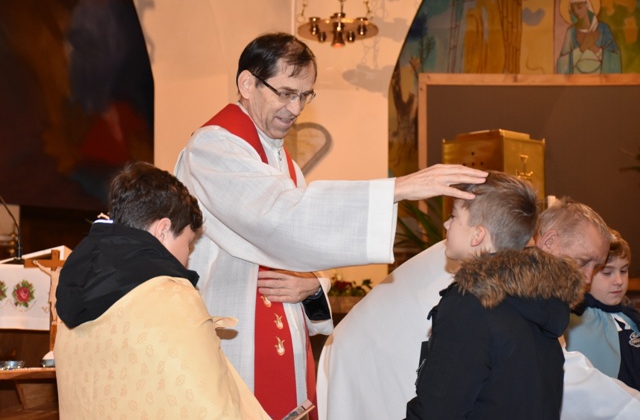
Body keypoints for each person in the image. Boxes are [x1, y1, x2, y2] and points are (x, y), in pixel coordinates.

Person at [174, 32, 488, 419]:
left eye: (305, 96)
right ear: (247, 84)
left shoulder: (284, 163)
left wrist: (313, 285)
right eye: (286, 93)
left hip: (284, 337)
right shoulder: (213, 147)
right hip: (234, 334)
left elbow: (306, 243)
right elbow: (279, 217)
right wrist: (398, 188)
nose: (296, 108)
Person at [318, 195, 640, 420]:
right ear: (549, 241)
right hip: (367, 369)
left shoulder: (515, 281)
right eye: (584, 262)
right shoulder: (489, 278)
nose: (587, 278)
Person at [54, 162, 270, 420]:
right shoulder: (172, 298)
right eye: (188, 244)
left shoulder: (70, 301)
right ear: (163, 230)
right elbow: (213, 410)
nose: (187, 257)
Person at [404, 172, 585, 419]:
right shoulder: (543, 299)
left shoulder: (470, 302)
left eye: (454, 216)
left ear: (477, 235)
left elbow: (437, 410)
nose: (446, 224)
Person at [565, 229, 640, 391]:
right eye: (607, 273)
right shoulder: (571, 322)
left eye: (623, 270)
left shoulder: (631, 316)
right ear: (586, 273)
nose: (619, 281)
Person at [557, 0, 621, 74]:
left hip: (600, 78)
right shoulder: (571, 32)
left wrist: (593, 47)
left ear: (587, 5)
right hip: (577, 78)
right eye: (573, 9)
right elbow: (562, 63)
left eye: (579, 7)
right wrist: (582, 48)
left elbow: (615, 59)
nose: (576, 11)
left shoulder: (602, 29)